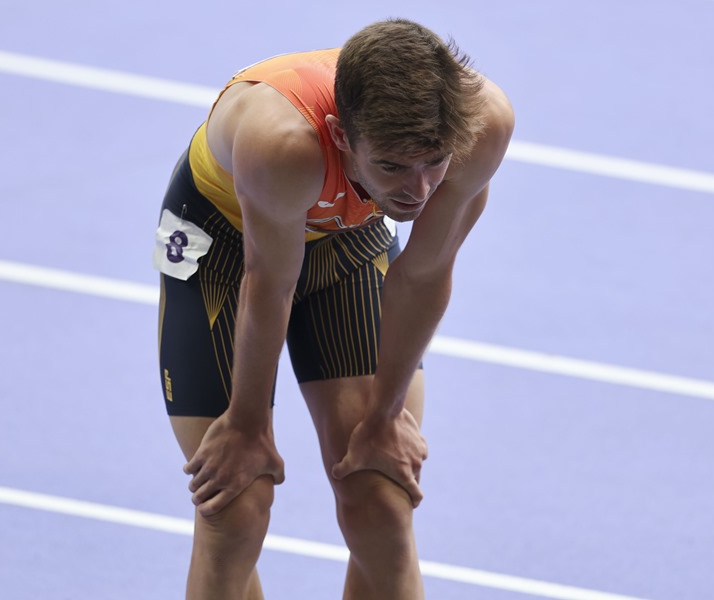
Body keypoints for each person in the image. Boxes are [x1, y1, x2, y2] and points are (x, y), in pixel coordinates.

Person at [153, 17, 514, 600]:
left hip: (347, 240)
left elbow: (423, 274)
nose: (419, 192)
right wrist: (247, 426)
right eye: (394, 166)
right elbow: (269, 281)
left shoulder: (483, 125)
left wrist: (384, 416)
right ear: (340, 135)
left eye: (433, 162)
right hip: (225, 251)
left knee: (380, 494)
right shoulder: (283, 143)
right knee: (237, 508)